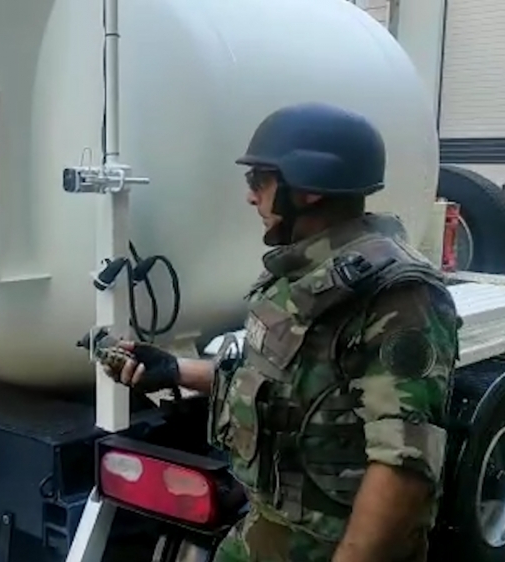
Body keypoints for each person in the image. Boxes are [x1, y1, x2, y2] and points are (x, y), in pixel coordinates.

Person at [97, 102, 460, 562]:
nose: (251, 198)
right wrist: (175, 370)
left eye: (259, 181)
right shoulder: (307, 271)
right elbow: (286, 387)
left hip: (328, 546)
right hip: (264, 531)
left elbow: (402, 467)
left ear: (308, 189)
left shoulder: (397, 296)